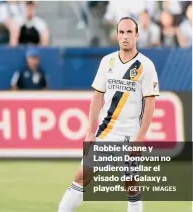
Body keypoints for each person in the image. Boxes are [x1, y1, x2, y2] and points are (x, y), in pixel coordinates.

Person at [57, 17, 159, 212]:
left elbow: (150, 103)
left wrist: (140, 138)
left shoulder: (146, 66)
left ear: (137, 35)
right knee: (81, 176)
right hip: (106, 132)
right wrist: (89, 132)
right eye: (121, 32)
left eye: (129, 32)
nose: (125, 36)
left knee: (131, 186)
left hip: (130, 135)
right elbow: (97, 97)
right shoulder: (107, 61)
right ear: (117, 35)